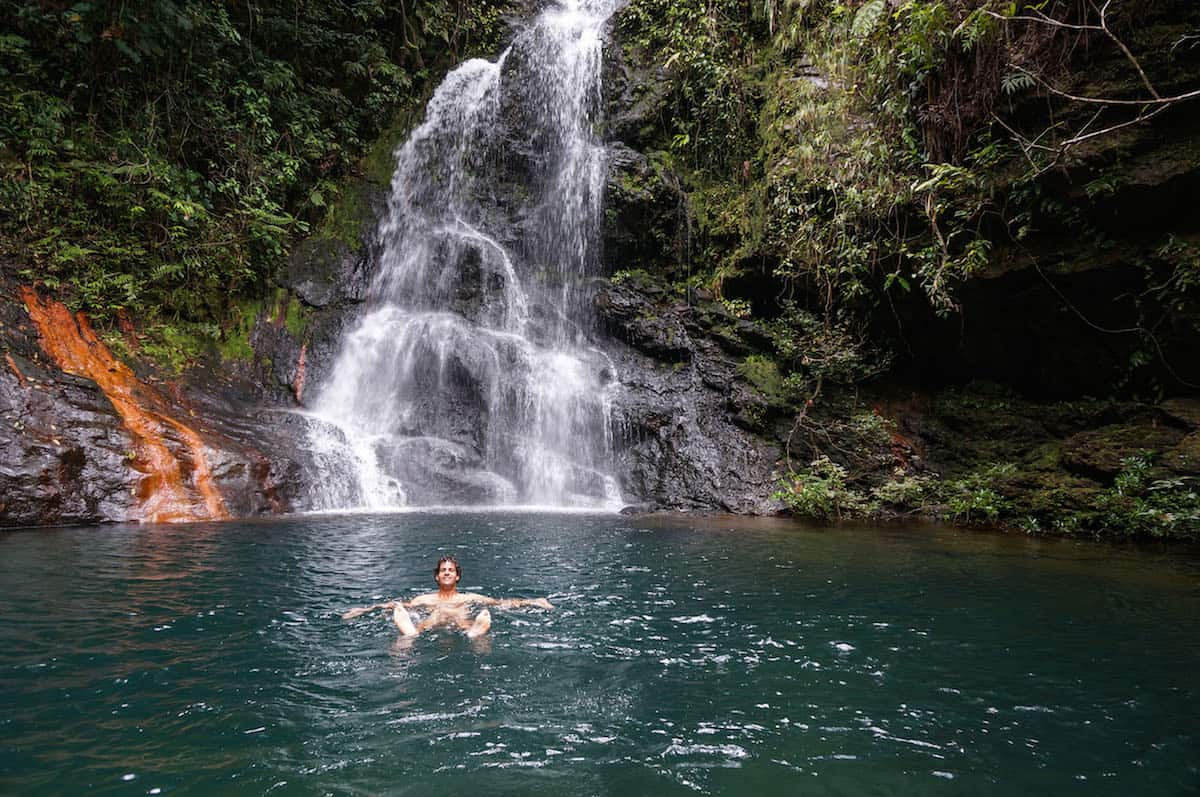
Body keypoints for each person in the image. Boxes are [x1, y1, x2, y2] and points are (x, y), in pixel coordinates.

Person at [341, 556, 553, 639]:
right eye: (443, 570)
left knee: (453, 613)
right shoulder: (424, 599)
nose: (447, 573)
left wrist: (533, 602)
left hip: (459, 623)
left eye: (451, 570)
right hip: (431, 624)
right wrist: (364, 610)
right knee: (438, 612)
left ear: (457, 576)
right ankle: (412, 632)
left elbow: (501, 603)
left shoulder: (469, 596)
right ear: (436, 576)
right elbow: (395, 605)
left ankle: (474, 632)